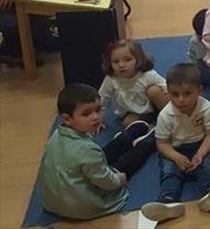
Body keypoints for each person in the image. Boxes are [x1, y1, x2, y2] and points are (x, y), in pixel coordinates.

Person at [37, 84, 148, 220]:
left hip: (53, 202)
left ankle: (128, 135)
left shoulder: (56, 135)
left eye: (98, 110)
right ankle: (148, 141)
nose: (95, 117)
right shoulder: (88, 150)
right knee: (127, 162)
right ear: (67, 118)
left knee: (101, 154)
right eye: (86, 113)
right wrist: (119, 179)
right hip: (83, 206)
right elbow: (105, 181)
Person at [144, 64, 210, 221]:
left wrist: (200, 153)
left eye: (187, 93)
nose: (181, 99)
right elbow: (162, 143)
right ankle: (168, 201)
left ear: (199, 90)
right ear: (168, 92)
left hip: (200, 145)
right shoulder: (165, 115)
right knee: (169, 171)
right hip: (174, 148)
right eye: (175, 94)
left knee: (207, 166)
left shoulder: (206, 108)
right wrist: (176, 156)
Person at [98, 39, 168, 127]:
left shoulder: (146, 74)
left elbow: (164, 84)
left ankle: (170, 115)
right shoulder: (111, 79)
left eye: (127, 60)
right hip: (133, 113)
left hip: (153, 106)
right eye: (116, 61)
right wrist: (98, 120)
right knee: (127, 123)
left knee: (154, 91)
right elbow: (102, 100)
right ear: (110, 63)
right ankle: (150, 128)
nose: (121, 65)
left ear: (138, 59)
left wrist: (165, 92)